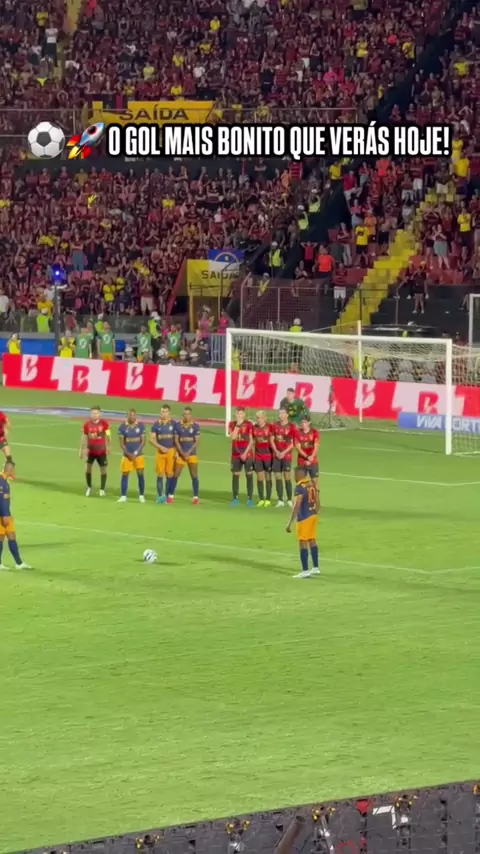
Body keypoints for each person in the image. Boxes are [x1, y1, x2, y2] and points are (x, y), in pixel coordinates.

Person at [286, 467, 320, 579]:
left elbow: (297, 505)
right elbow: (317, 498)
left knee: (303, 542)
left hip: (304, 517)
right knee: (312, 540)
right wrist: (316, 511)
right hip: (313, 515)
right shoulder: (311, 484)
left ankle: (305, 571)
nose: (294, 476)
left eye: (295, 474)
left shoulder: (300, 487)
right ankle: (315, 568)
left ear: (299, 475)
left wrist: (289, 523)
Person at [0, 461, 31, 570]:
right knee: (1, 538)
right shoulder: (1, 481)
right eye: (13, 470)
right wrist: (4, 515)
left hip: (7, 515)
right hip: (2, 515)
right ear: (9, 469)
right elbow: (0, 501)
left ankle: (19, 563)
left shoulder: (5, 481)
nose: (14, 472)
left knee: (12, 537)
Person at [171, 407, 200, 504]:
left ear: (191, 415)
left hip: (192, 454)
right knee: (176, 474)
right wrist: (182, 453)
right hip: (181, 454)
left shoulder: (195, 426)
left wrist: (189, 452)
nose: (186, 416)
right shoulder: (178, 425)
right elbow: (176, 440)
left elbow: (197, 441)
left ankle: (195, 497)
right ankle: (170, 496)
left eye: (188, 414)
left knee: (194, 475)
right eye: (185, 414)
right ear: (182, 415)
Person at [80, 406, 111, 497]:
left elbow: (108, 435)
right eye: (93, 413)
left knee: (103, 469)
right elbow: (84, 437)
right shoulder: (87, 425)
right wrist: (81, 449)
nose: (94, 415)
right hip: (91, 450)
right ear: (90, 414)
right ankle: (89, 487)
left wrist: (109, 446)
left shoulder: (104, 424)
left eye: (96, 413)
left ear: (99, 414)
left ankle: (102, 489)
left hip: (101, 450)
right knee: (88, 468)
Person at [149, 404, 177, 504]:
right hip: (160, 452)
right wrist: (160, 447)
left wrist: (177, 451)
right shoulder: (156, 424)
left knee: (169, 474)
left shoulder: (174, 424)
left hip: (171, 452)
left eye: (165, 411)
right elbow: (151, 440)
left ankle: (167, 496)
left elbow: (177, 439)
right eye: (161, 411)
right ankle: (160, 496)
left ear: (169, 412)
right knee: (160, 474)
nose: (163, 413)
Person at [117, 409, 146, 503]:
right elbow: (122, 444)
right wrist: (129, 454)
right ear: (127, 416)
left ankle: (141, 496)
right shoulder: (122, 427)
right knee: (125, 474)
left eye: (134, 415)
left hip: (138, 455)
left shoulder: (141, 426)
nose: (132, 417)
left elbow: (143, 441)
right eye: (130, 415)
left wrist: (136, 452)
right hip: (127, 455)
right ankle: (123, 496)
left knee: (140, 474)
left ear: (135, 416)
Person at [228, 406, 254, 507]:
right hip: (236, 454)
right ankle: (235, 499)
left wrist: (245, 453)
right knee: (236, 475)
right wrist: (238, 425)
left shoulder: (249, 424)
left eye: (241, 413)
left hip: (247, 453)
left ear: (244, 414)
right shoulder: (232, 424)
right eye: (237, 413)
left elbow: (251, 440)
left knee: (249, 475)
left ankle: (250, 499)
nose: (239, 415)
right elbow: (233, 437)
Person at [271, 407, 296, 507]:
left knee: (287, 477)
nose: (280, 415)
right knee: (278, 477)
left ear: (287, 415)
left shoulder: (291, 427)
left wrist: (284, 452)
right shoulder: (274, 425)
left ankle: (289, 499)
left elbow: (293, 443)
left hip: (287, 456)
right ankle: (280, 500)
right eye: (280, 413)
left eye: (282, 413)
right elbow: (272, 440)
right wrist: (277, 451)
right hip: (276, 455)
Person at [252, 410, 273, 507]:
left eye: (260, 418)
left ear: (265, 418)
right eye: (257, 418)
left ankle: (268, 499)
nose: (258, 420)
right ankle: (261, 499)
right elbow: (252, 442)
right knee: (259, 477)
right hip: (258, 456)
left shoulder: (270, 427)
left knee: (268, 477)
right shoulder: (254, 428)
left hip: (268, 456)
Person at [295, 416, 320, 489]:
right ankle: (304, 495)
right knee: (301, 482)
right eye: (302, 422)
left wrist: (311, 457)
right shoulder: (297, 433)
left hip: (313, 460)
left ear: (309, 422)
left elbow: (316, 446)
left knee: (315, 481)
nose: (303, 424)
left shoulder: (314, 432)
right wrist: (307, 457)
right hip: (301, 460)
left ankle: (315, 496)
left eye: (305, 422)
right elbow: (298, 448)